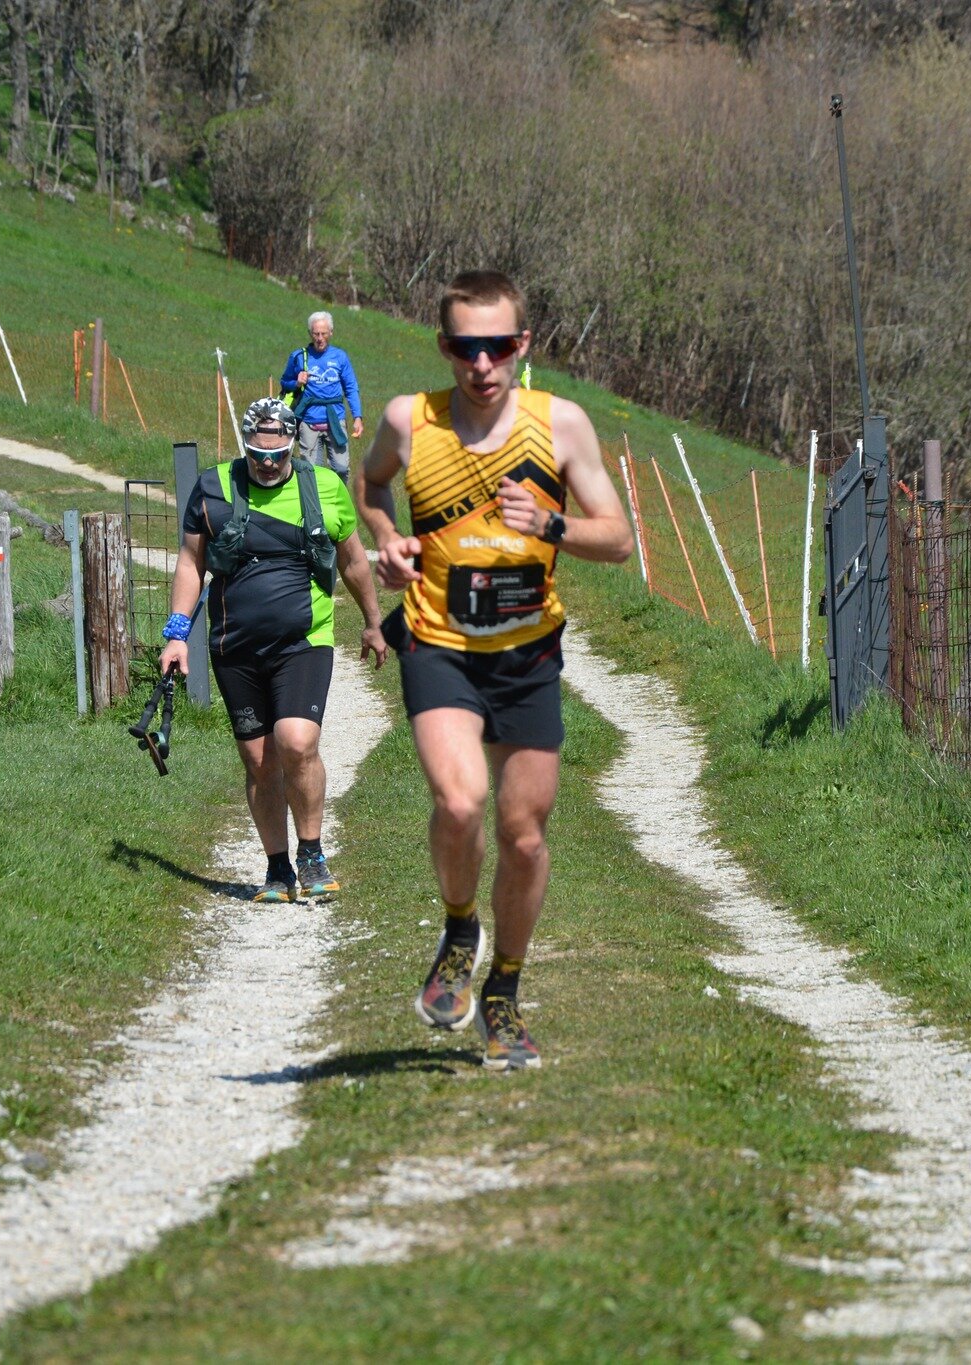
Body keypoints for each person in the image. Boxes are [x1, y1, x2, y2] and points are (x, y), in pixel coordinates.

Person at [355, 270, 633, 1070]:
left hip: (527, 653)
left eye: (499, 345)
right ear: (444, 347)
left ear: (524, 344)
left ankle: (504, 989)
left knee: (523, 833)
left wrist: (549, 521)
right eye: (467, 347)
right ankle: (457, 927)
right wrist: (389, 538)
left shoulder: (562, 426)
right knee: (459, 796)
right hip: (439, 641)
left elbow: (617, 539)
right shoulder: (410, 420)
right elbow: (370, 485)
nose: (483, 363)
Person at [159, 397, 387, 904]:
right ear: (245, 448)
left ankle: (312, 852)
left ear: (291, 447)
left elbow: (352, 563)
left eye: (278, 454)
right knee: (260, 762)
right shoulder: (213, 487)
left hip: (303, 641)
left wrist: (373, 623)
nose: (267, 464)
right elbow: (191, 563)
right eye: (258, 455)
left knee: (297, 741)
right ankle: (278, 869)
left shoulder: (325, 487)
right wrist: (177, 634)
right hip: (232, 645)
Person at [280, 311, 364, 480]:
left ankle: (337, 502)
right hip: (309, 421)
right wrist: (296, 382)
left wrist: (357, 417)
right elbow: (284, 382)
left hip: (335, 419)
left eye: (323, 333)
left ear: (330, 333)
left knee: (341, 468)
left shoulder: (340, 357)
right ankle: (316, 505)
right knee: (312, 472)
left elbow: (351, 388)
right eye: (316, 334)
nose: (319, 338)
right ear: (310, 333)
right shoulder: (298, 357)